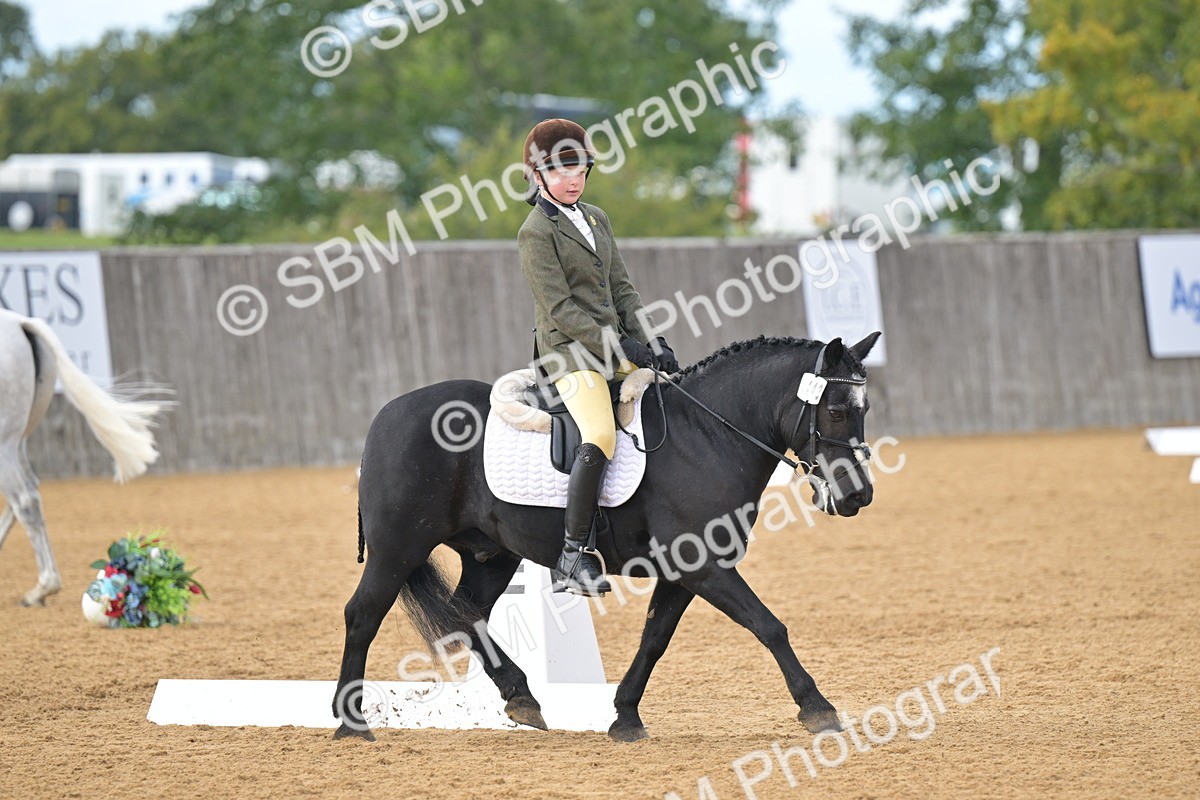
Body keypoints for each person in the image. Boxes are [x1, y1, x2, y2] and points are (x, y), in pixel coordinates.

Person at [517, 118, 680, 597]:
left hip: (614, 348)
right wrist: (619, 345)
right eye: (563, 172)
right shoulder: (534, 233)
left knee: (673, 404)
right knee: (602, 432)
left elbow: (624, 291)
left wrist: (654, 342)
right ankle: (571, 556)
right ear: (538, 175)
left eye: (581, 171)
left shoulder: (597, 218)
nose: (574, 180)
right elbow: (561, 309)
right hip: (569, 356)